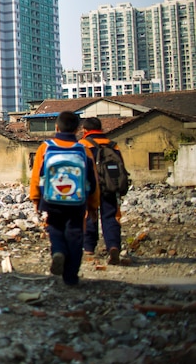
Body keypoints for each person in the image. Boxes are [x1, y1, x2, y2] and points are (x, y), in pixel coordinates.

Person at [29, 111, 100, 286]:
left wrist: (36, 199)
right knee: (76, 234)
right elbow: (92, 180)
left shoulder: (46, 147)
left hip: (52, 199)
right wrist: (93, 207)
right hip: (77, 200)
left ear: (56, 127)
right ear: (77, 129)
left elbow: (36, 176)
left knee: (55, 228)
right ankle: (71, 277)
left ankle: (58, 252)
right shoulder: (83, 150)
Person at [79, 117, 125, 265]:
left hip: (90, 188)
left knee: (89, 215)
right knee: (110, 216)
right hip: (109, 187)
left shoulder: (83, 145)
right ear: (100, 129)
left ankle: (88, 248)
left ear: (85, 130)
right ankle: (113, 246)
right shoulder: (113, 146)